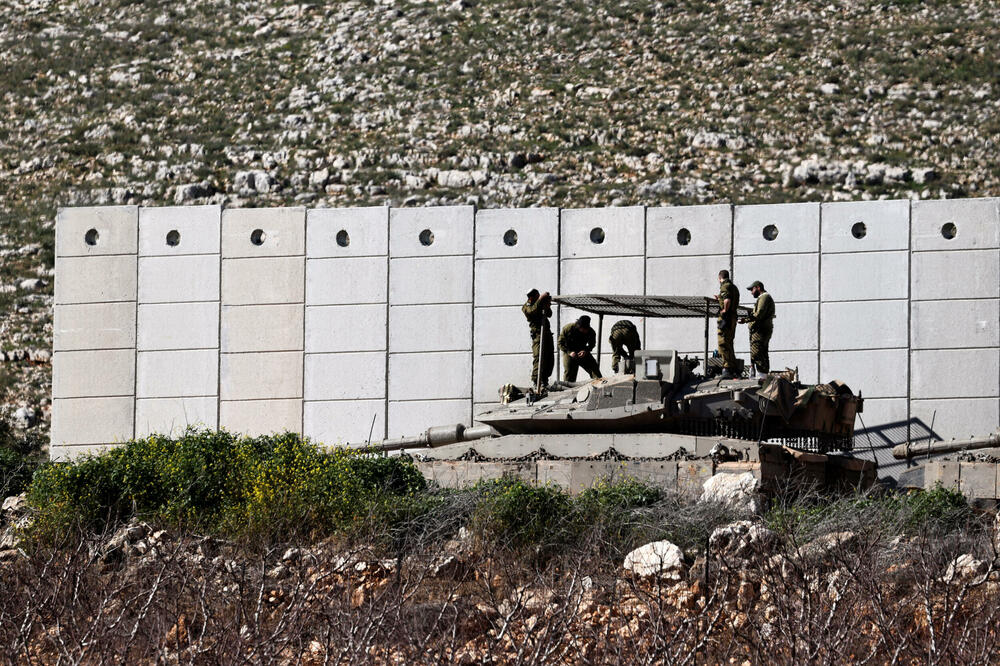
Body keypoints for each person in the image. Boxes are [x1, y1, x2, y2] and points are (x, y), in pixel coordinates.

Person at [739, 280, 775, 375]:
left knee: (757, 352)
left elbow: (759, 313)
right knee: (761, 352)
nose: (751, 292)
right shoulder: (763, 298)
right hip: (761, 330)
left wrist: (746, 320)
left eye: (752, 289)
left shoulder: (764, 297)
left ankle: (762, 375)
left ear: (758, 288)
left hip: (760, 330)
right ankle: (763, 374)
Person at [522, 288, 554, 388]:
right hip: (538, 335)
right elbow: (532, 312)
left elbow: (549, 314)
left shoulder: (539, 303)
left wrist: (547, 305)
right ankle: (536, 381)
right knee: (539, 358)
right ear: (531, 297)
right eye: (537, 296)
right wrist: (540, 300)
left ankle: (545, 380)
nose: (539, 297)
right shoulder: (527, 306)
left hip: (547, 333)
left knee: (549, 358)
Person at [558, 315, 602, 381]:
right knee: (570, 373)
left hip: (583, 351)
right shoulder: (568, 328)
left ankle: (600, 383)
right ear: (579, 326)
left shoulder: (591, 332)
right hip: (569, 351)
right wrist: (569, 352)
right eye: (583, 329)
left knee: (594, 368)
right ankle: (567, 386)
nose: (585, 331)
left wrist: (585, 351)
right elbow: (560, 343)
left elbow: (592, 344)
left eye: (586, 329)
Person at [714, 269, 740, 378]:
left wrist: (724, 309)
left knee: (723, 343)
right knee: (729, 342)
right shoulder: (734, 287)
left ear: (720, 278)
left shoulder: (725, 286)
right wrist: (720, 298)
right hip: (732, 318)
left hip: (726, 318)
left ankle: (727, 368)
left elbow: (727, 300)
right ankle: (732, 367)